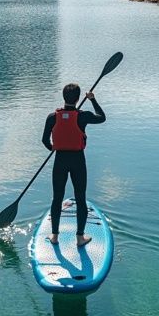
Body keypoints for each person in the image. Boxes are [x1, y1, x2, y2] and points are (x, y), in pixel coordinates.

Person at [42, 83, 106, 246]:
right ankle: (80, 238)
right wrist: (92, 99)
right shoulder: (82, 116)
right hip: (78, 160)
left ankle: (55, 236)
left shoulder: (52, 117)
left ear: (64, 97)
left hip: (60, 161)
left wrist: (54, 148)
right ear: (78, 99)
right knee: (80, 198)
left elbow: (44, 140)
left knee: (57, 199)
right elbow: (102, 117)